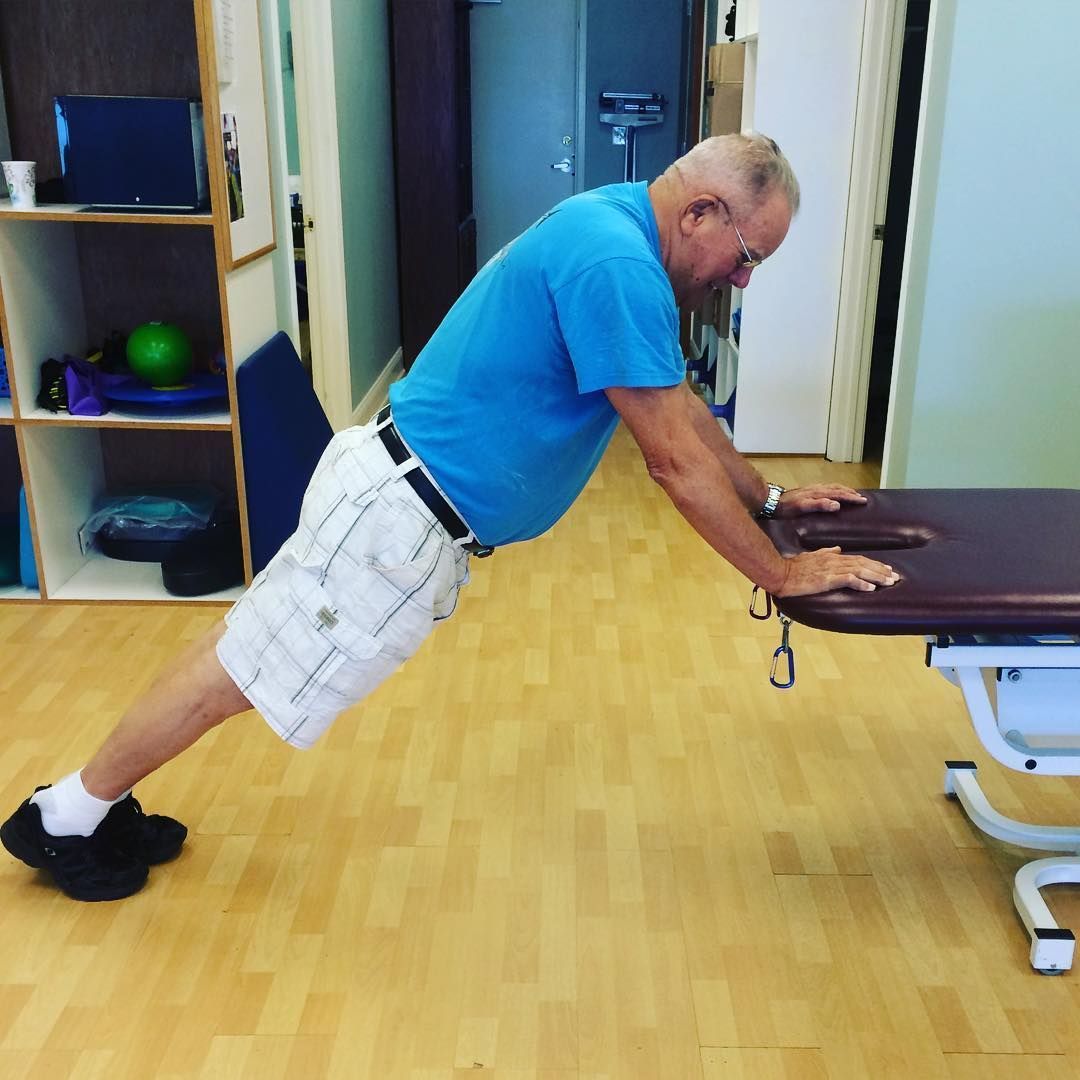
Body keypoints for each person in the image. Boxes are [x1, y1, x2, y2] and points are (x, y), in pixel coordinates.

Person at [1, 132, 899, 902]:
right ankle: (66, 816)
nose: (742, 276)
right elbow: (669, 459)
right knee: (240, 672)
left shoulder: (618, 226)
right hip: (396, 522)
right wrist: (780, 575)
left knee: (241, 654)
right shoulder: (618, 263)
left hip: (392, 499)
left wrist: (771, 498)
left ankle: (87, 805)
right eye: (748, 252)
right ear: (701, 211)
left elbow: (684, 410)